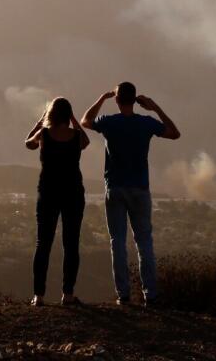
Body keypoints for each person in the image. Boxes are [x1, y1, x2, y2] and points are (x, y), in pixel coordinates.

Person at [81, 82, 180, 306]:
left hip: (115, 187)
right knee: (144, 242)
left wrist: (101, 98)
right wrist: (155, 108)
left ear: (117, 100)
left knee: (117, 241)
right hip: (140, 189)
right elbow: (175, 133)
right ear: (135, 99)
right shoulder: (146, 123)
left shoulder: (109, 122)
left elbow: (85, 121)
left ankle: (123, 295)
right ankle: (150, 294)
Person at [24, 97, 90, 306]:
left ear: (51, 114)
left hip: (48, 193)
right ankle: (68, 294)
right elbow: (86, 142)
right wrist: (74, 119)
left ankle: (38, 295)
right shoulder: (76, 136)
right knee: (71, 244)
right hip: (73, 193)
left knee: (43, 244)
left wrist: (41, 120)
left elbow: (28, 143)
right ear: (68, 115)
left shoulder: (43, 134)